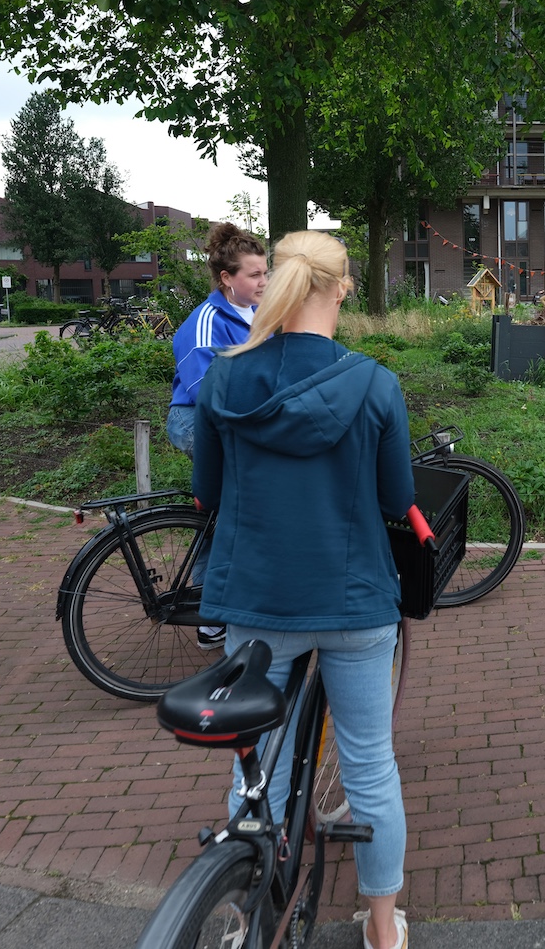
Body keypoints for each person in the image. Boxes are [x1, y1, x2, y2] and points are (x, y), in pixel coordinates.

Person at [191, 230, 414, 949]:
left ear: (278, 281)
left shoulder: (224, 377)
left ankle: (245, 899)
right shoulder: (374, 382)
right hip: (352, 601)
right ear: (342, 287)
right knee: (370, 761)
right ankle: (382, 926)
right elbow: (396, 496)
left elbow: (207, 493)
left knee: (257, 759)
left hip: (257, 601)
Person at [166, 223, 267, 650]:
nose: (264, 282)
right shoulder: (207, 321)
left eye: (266, 273)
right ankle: (215, 619)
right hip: (197, 419)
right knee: (242, 508)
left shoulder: (259, 315)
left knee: (223, 512)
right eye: (254, 275)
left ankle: (214, 605)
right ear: (227, 278)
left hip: (232, 418)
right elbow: (206, 392)